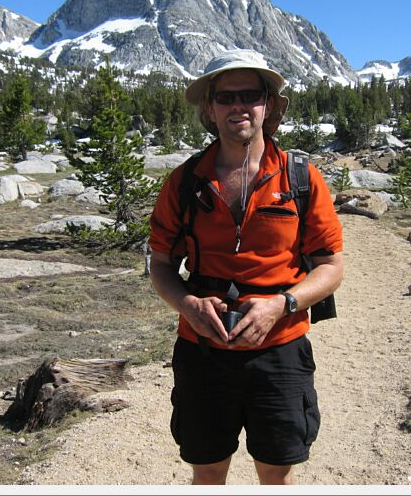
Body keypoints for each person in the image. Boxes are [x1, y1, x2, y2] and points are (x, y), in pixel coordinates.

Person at [147, 49, 344, 485]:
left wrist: (284, 304)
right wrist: (187, 305)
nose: (238, 106)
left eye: (250, 95)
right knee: (208, 468)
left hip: (280, 349)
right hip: (202, 351)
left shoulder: (301, 178)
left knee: (276, 471)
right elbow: (160, 264)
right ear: (209, 108)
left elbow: (331, 265)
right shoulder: (184, 182)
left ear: (268, 105)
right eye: (225, 97)